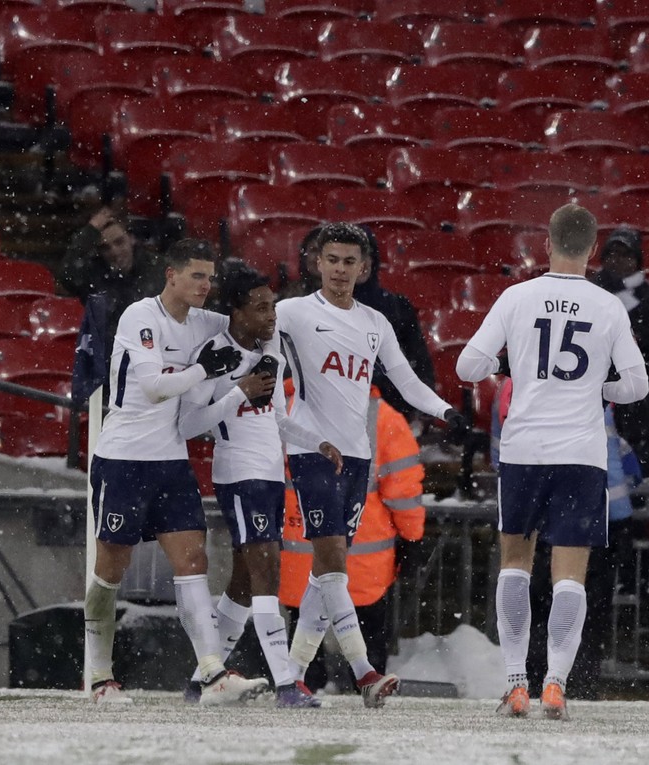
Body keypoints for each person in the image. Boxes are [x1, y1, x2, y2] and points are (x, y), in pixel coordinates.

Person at [455, 204, 649, 720]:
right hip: (582, 454)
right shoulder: (608, 306)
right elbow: (637, 386)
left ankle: (517, 683)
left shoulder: (518, 297)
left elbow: (467, 364)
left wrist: (514, 364)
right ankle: (557, 684)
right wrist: (595, 387)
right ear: (592, 248)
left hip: (524, 449)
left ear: (547, 243)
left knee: (515, 565)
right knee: (570, 576)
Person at [276, 222, 462, 710]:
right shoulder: (291, 313)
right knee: (333, 560)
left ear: (364, 268)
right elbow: (251, 349)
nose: (339, 269)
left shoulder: (375, 323)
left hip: (358, 456)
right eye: (331, 260)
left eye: (348, 261)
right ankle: (364, 672)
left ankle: (291, 676)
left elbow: (406, 380)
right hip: (313, 452)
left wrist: (446, 413)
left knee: (326, 573)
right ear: (317, 262)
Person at [82, 238, 269, 705]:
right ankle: (100, 677)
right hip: (124, 458)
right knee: (110, 569)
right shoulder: (140, 316)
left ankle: (213, 674)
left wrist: (268, 341)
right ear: (171, 274)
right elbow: (152, 387)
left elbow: (254, 321)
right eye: (197, 276)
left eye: (210, 278)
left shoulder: (207, 321)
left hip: (171, 461)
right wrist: (204, 371)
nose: (206, 286)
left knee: (193, 562)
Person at [175, 262, 340, 708]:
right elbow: (189, 423)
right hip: (238, 474)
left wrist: (316, 441)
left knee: (246, 584)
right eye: (261, 308)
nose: (271, 316)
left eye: (273, 306)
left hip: (270, 473)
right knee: (267, 571)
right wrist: (237, 393)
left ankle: (198, 683)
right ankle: (286, 684)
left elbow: (279, 420)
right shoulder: (212, 353)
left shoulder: (272, 354)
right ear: (236, 311)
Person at [488, 379, 642, 700]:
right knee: (585, 604)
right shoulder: (590, 381)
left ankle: (525, 683)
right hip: (596, 511)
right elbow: (623, 457)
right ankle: (574, 684)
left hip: (534, 510)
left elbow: (498, 452)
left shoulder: (511, 389)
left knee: (535, 600)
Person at [280, 387, 428, 692]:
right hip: (363, 557)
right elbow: (403, 492)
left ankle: (300, 688)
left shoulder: (286, 408)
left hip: (299, 551)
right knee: (370, 635)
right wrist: (413, 539)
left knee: (304, 628)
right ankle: (366, 684)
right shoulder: (382, 417)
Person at [589, 227, 649, 476]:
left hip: (640, 399)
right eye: (612, 254)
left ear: (637, 259)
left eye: (625, 254)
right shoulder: (588, 293)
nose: (617, 261)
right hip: (594, 392)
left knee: (640, 471)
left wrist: (638, 342)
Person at [353, 226, 438, 412]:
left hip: (392, 407)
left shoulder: (398, 306)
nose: (363, 263)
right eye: (354, 257)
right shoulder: (324, 307)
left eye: (367, 255)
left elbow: (420, 361)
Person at [57, 207, 162, 327]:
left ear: (132, 238)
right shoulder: (94, 272)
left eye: (119, 242)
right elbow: (67, 275)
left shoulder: (157, 267)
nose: (115, 252)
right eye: (105, 248)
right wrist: (90, 230)